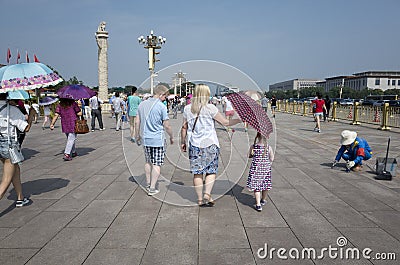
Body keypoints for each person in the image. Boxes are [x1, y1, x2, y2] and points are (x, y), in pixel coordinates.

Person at [180, 84, 241, 207]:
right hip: (211, 144)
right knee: (210, 171)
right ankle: (207, 194)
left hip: (195, 144)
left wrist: (183, 141)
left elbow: (184, 127)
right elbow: (225, 122)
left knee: (197, 173)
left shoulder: (187, 109)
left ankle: (199, 199)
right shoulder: (211, 108)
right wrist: (239, 119)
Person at [135, 85, 174, 196]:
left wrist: (137, 135)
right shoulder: (161, 106)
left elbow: (137, 122)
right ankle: (152, 188)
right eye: (165, 96)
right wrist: (171, 136)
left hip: (145, 138)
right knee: (157, 163)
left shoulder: (142, 104)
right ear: (161, 94)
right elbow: (167, 125)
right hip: (157, 139)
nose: (165, 98)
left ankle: (148, 183)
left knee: (148, 161)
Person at [0, 93, 32, 207]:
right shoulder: (11, 109)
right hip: (8, 144)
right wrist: (31, 114)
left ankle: (20, 198)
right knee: (6, 179)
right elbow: (25, 128)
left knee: (15, 169)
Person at [247, 132, 274, 212]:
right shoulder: (268, 147)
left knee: (257, 187)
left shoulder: (253, 146)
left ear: (257, 136)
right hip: (265, 170)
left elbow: (248, 155)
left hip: (255, 170)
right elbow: (272, 158)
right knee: (265, 186)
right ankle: (263, 199)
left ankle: (258, 204)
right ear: (267, 137)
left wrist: (252, 154)